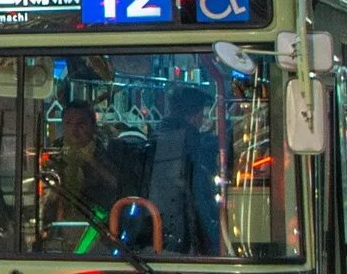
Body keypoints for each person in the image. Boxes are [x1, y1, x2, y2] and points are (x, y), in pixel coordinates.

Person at [46, 100, 142, 239]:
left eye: (81, 124)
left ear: (93, 126)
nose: (74, 130)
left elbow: (120, 189)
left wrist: (91, 162)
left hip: (99, 231)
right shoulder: (52, 156)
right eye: (68, 123)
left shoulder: (111, 152)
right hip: (56, 231)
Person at [150, 84, 222, 255]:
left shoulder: (154, 138)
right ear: (195, 115)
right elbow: (199, 196)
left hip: (157, 229)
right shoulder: (192, 144)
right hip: (186, 233)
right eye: (202, 114)